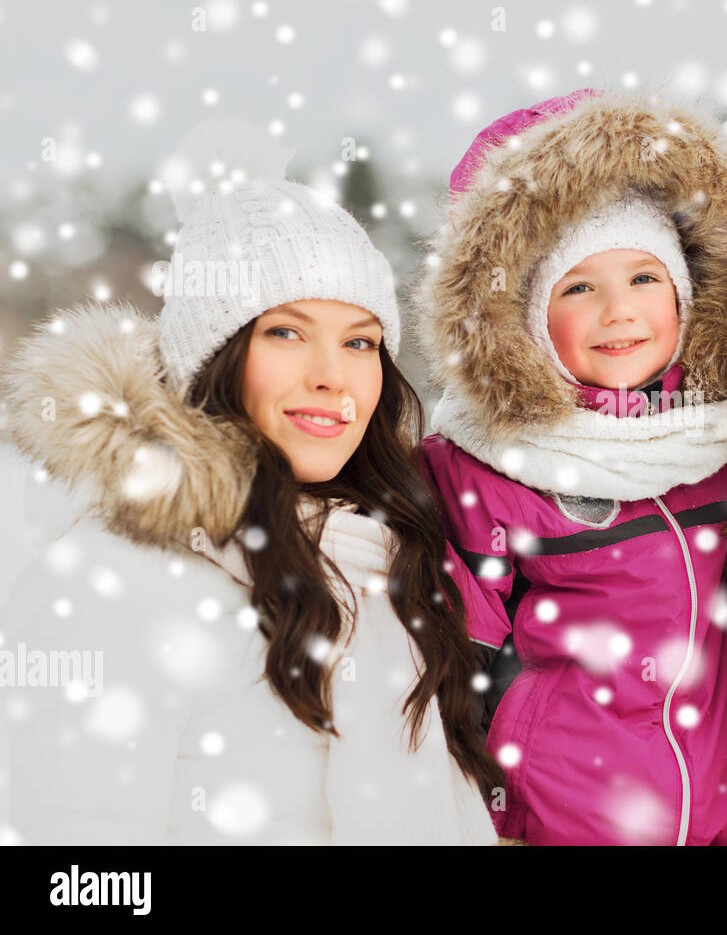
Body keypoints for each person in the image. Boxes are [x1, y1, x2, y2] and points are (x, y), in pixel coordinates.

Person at [0, 121, 499, 844]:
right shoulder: (112, 580)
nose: (332, 374)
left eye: (360, 341)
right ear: (214, 358)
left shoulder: (378, 566)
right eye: (287, 332)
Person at [414, 90, 727, 844]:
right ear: (527, 319)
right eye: (580, 287)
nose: (620, 312)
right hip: (561, 817)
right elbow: (456, 671)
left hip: (720, 814)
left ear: (685, 293)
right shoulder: (488, 467)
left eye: (644, 278)